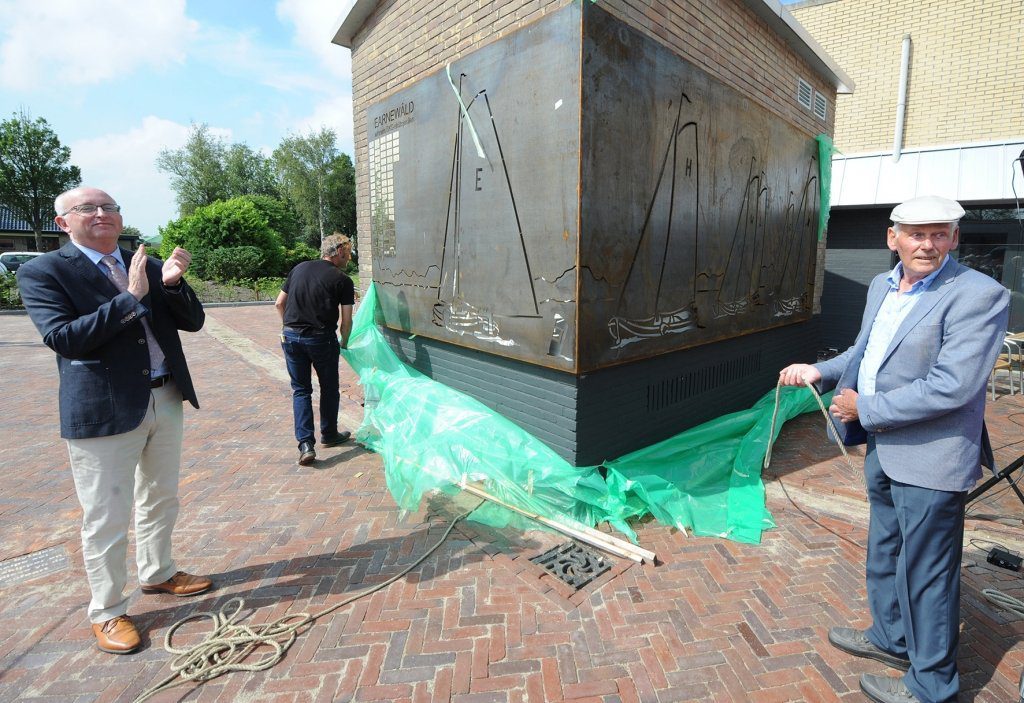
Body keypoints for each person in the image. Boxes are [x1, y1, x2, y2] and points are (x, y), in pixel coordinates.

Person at [779, 195, 1009, 703]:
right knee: (885, 547)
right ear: (893, 238)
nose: (927, 244)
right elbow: (865, 353)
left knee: (927, 572)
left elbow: (952, 386)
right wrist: (822, 371)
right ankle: (891, 637)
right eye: (916, 233)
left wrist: (867, 409)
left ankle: (932, 686)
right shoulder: (882, 284)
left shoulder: (978, 294)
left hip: (933, 455)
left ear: (953, 239)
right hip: (883, 447)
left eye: (939, 234)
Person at [16, 186, 212, 655]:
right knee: (106, 515)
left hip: (164, 395)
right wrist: (129, 298)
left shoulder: (143, 259)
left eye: (109, 207)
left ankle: (158, 572)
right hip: (102, 410)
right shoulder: (43, 271)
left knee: (161, 495)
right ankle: (107, 611)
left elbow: (194, 321)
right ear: (63, 221)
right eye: (88, 208)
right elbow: (64, 338)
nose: (102, 214)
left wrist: (170, 285)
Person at [275, 233, 355, 465]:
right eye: (348, 253)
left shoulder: (299, 268)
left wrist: (287, 328)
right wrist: (344, 342)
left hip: (291, 337)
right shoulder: (343, 280)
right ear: (339, 251)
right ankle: (329, 434)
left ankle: (306, 445)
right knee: (329, 387)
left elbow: (279, 303)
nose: (349, 258)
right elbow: (346, 321)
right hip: (321, 339)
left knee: (301, 390)